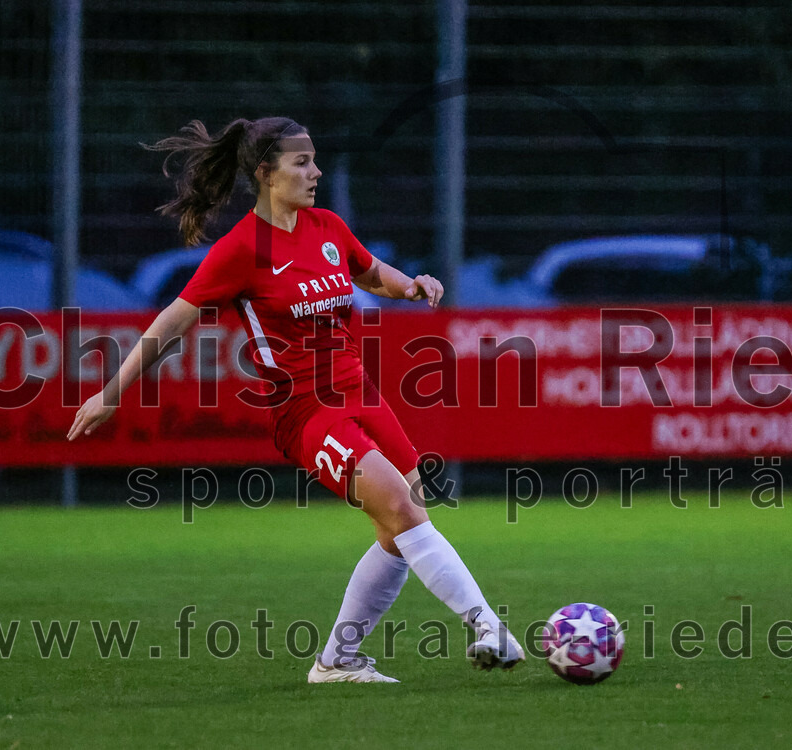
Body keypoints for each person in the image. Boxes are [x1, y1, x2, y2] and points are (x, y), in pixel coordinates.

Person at [67, 116, 524, 683]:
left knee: (400, 527)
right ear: (265, 174)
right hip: (306, 411)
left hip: (360, 391)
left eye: (315, 160)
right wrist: (111, 393)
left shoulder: (327, 226)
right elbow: (171, 323)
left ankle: (338, 661)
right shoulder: (242, 250)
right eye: (301, 163)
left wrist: (411, 284)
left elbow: (369, 272)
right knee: (403, 512)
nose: (316, 171)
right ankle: (488, 627)